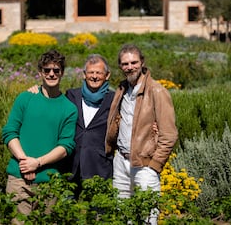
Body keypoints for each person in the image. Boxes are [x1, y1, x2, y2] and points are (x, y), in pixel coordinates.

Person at [105, 44, 178, 224]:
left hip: (145, 164)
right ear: (120, 66)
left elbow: (169, 134)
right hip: (121, 161)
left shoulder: (157, 91)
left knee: (147, 218)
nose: (130, 67)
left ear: (142, 62)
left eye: (134, 62)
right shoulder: (122, 89)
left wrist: (155, 164)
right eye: (125, 64)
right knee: (123, 215)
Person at [1, 49, 78, 218]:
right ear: (40, 73)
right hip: (19, 180)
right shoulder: (25, 98)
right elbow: (9, 132)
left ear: (62, 73)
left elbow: (66, 146)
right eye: (47, 70)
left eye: (56, 70)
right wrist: (24, 161)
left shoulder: (69, 108)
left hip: (49, 182)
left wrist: (37, 163)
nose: (51, 74)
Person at [28, 54, 114, 194]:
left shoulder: (114, 99)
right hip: (70, 166)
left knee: (99, 212)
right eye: (91, 72)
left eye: (99, 72)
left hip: (99, 166)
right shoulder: (72, 95)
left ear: (107, 75)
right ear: (84, 74)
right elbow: (52, 102)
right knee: (66, 211)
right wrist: (37, 90)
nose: (94, 76)